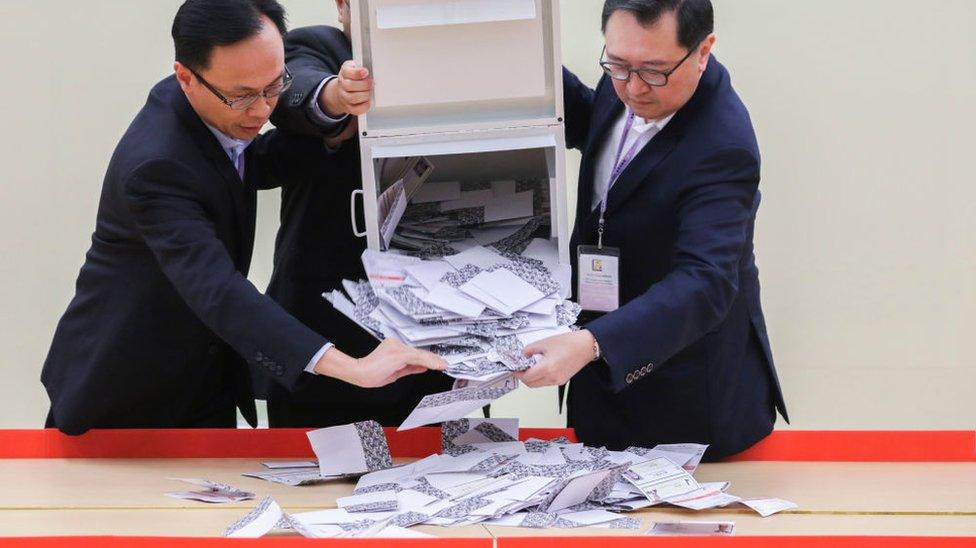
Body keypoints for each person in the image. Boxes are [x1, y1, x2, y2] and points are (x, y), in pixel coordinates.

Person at [40, 0, 445, 436]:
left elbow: (248, 163)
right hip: (127, 391)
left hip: (205, 377)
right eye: (243, 96)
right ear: (186, 77)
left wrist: (329, 139)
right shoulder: (155, 166)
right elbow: (219, 291)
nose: (262, 110)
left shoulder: (205, 108)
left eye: (273, 87)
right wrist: (353, 367)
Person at [517, 0, 788, 460]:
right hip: (599, 373)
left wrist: (591, 343)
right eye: (617, 65)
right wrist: (516, 47)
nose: (633, 88)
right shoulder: (629, 71)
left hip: (685, 395)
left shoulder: (723, 145)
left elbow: (705, 282)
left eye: (654, 71)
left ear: (703, 51)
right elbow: (590, 116)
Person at [260, 0, 454, 428]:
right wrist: (336, 95)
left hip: (430, 345)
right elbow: (296, 92)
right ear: (344, 7)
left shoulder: (450, 57)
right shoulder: (316, 44)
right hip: (323, 343)